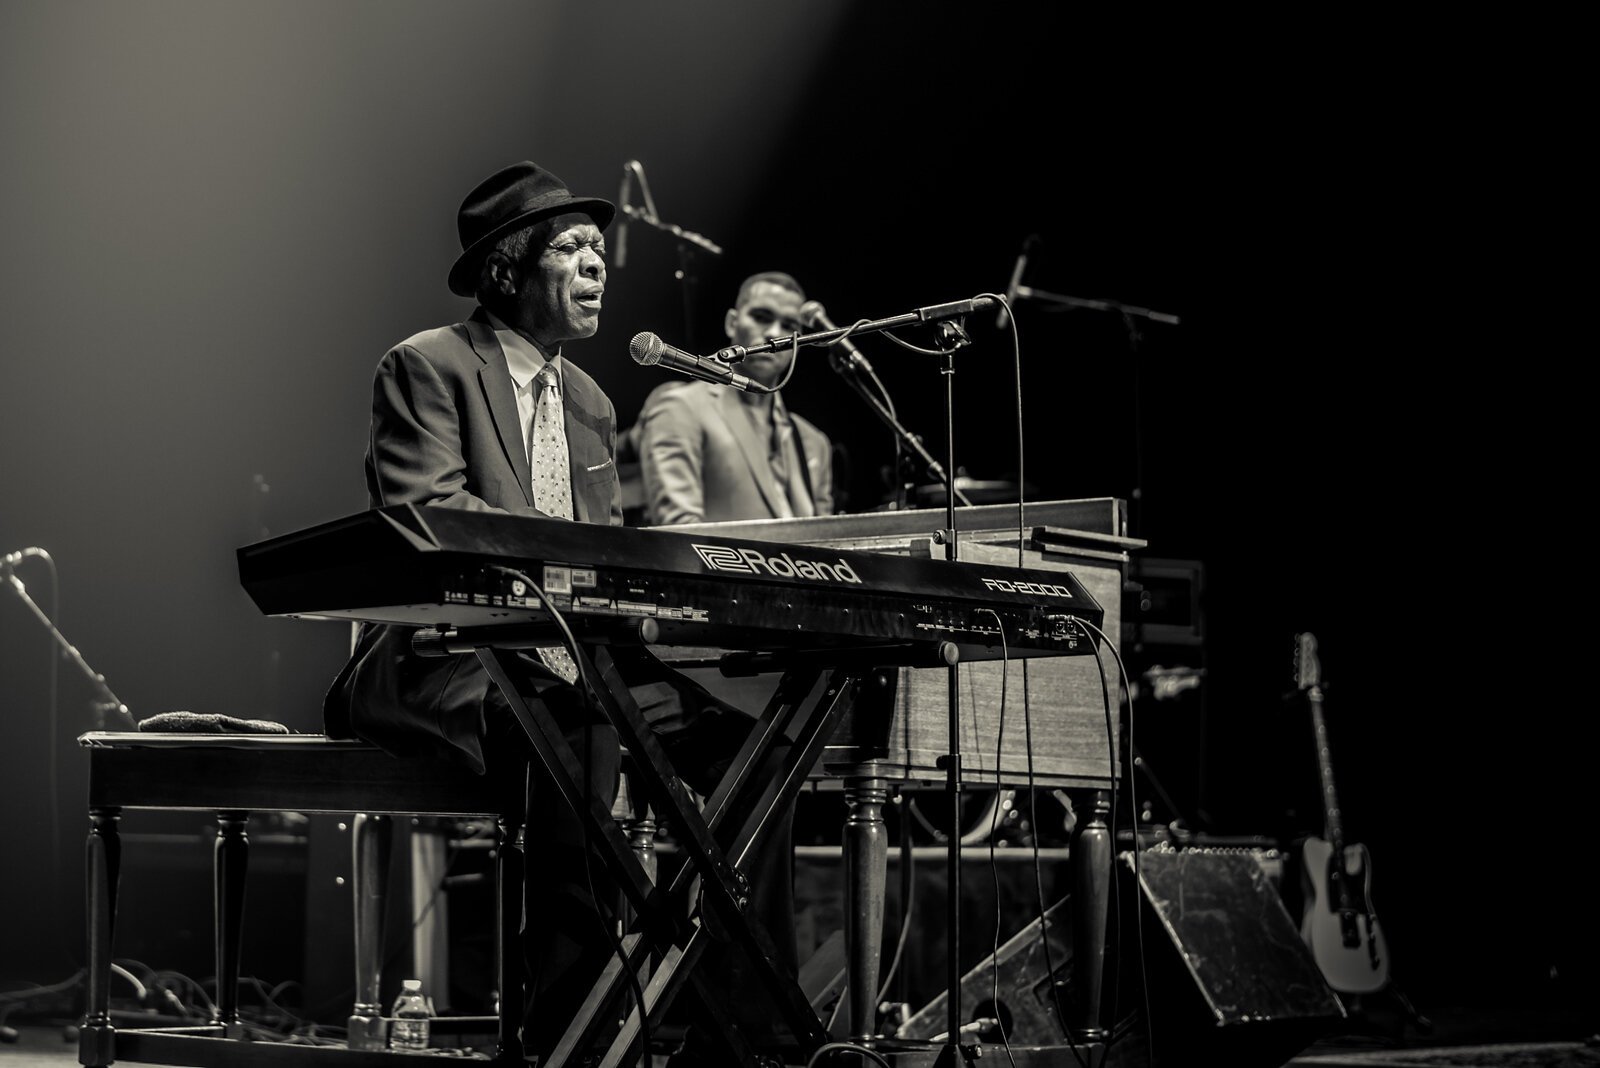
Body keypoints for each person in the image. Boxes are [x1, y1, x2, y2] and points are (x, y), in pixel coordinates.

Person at [322, 161, 796, 1068]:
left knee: (762, 743)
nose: (597, 266)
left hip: (577, 651)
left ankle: (734, 1030)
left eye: (600, 252)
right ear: (507, 269)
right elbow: (434, 526)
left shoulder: (591, 402)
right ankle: (571, 1036)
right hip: (447, 651)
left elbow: (603, 558)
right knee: (578, 730)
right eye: (571, 248)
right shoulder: (428, 366)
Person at [635, 272, 833, 525]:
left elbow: (828, 540)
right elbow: (679, 531)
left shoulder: (814, 442)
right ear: (732, 323)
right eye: (761, 317)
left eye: (789, 326)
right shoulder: (681, 407)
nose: (774, 333)